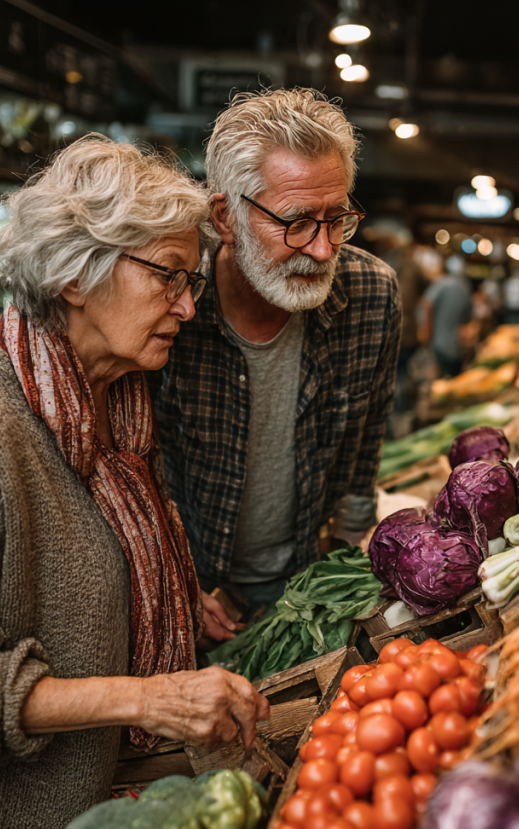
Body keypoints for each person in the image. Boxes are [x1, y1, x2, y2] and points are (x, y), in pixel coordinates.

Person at [0, 135, 269, 829]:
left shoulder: (123, 409)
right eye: (168, 277)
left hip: (118, 811)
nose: (185, 305)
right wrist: (149, 699)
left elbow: (97, 575)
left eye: (192, 282)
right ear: (77, 275)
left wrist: (173, 595)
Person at [152, 89, 401, 610]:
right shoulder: (169, 300)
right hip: (187, 586)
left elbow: (363, 453)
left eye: (337, 219)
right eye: (296, 222)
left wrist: (340, 576)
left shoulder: (371, 295)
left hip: (305, 585)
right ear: (225, 218)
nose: (323, 248)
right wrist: (171, 584)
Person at [421, 254, 474, 378]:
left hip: (439, 342)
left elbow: (426, 304)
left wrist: (427, 330)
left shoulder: (441, 284)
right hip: (456, 346)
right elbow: (468, 319)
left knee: (439, 380)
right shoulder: (466, 287)